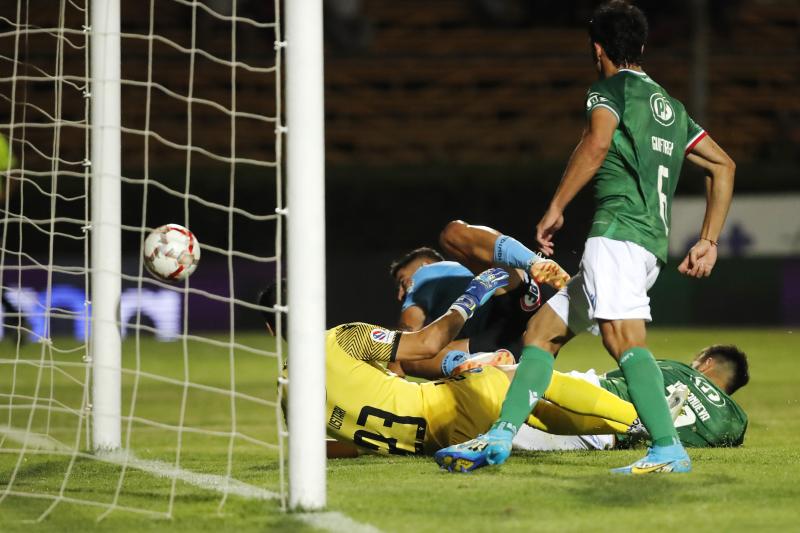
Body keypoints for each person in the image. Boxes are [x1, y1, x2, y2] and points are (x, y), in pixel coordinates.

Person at [436, 1, 736, 474]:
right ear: (640, 46)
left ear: (598, 50)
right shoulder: (672, 110)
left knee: (623, 339)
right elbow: (724, 165)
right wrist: (709, 239)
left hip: (617, 235)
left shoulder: (610, 91)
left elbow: (596, 143)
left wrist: (556, 207)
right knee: (543, 333)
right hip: (647, 241)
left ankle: (666, 447)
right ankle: (501, 434)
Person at [260, 279, 748, 459]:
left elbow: (339, 447)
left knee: (528, 403)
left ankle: (630, 427)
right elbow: (428, 342)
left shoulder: (287, 398)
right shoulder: (340, 337)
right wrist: (474, 294)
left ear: (268, 330)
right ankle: (641, 420)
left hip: (434, 441)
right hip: (455, 404)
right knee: (534, 383)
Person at [389, 226, 568, 378]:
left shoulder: (424, 275)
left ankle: (534, 262)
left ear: (424, 265)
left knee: (451, 233)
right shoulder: (442, 312)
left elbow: (402, 344)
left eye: (402, 281)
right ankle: (479, 364)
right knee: (421, 354)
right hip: (508, 341)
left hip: (513, 297)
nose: (399, 294)